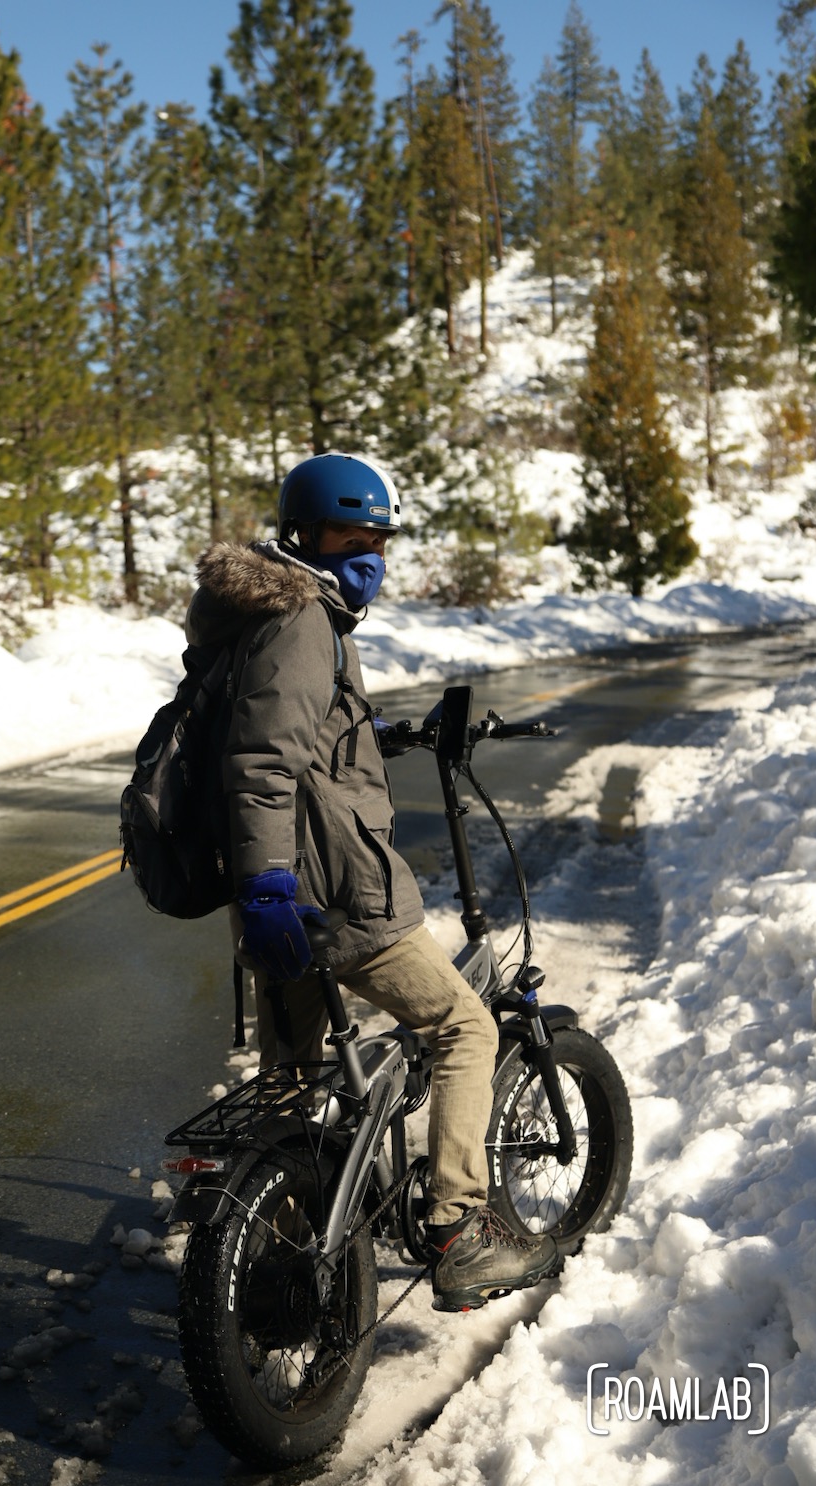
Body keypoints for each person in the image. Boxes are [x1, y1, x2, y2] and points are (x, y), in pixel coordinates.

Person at [184, 452, 558, 1312]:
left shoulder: (261, 612)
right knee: (465, 1026)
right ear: (304, 537)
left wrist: (371, 733)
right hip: (330, 895)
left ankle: (277, 1252)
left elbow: (294, 730)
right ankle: (459, 1234)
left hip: (278, 897)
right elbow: (262, 761)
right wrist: (272, 880)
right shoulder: (304, 622)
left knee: (292, 1080)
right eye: (351, 540)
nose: (369, 560)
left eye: (379, 542)